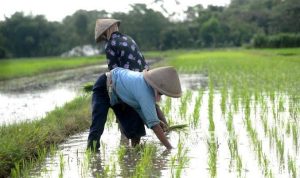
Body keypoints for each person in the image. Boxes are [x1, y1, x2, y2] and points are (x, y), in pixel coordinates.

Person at [87, 19, 168, 150]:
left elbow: (113, 71)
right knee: (140, 113)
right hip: (134, 79)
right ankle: (162, 133)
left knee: (101, 122)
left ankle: (93, 151)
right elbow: (139, 63)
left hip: (125, 83)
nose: (104, 38)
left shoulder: (111, 44)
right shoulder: (129, 39)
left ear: (107, 31)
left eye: (103, 36)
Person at [98, 66, 182, 149]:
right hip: (106, 84)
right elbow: (154, 126)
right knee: (98, 124)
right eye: (161, 93)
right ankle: (92, 149)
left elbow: (141, 110)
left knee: (136, 129)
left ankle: (134, 150)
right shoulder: (145, 93)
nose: (161, 95)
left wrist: (156, 121)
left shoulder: (144, 82)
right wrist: (169, 148)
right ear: (157, 87)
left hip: (118, 88)